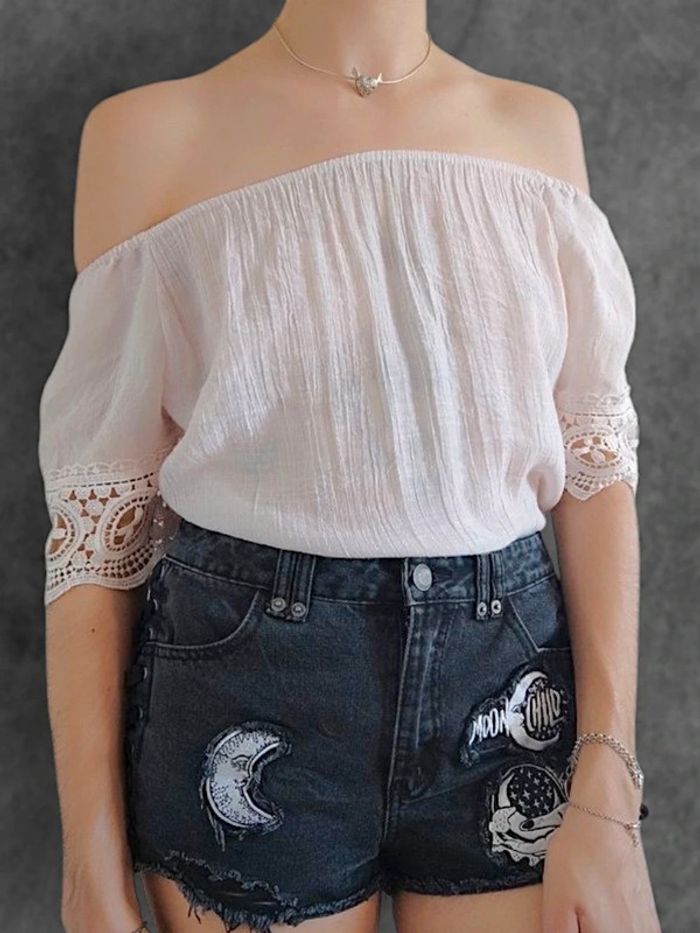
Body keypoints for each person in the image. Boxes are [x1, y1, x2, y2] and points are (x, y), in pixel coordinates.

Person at [37, 2, 661, 931]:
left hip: (510, 691)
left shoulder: (538, 131)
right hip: (248, 686)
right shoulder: (148, 135)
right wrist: (88, 868)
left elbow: (594, 468)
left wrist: (608, 772)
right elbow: (97, 527)